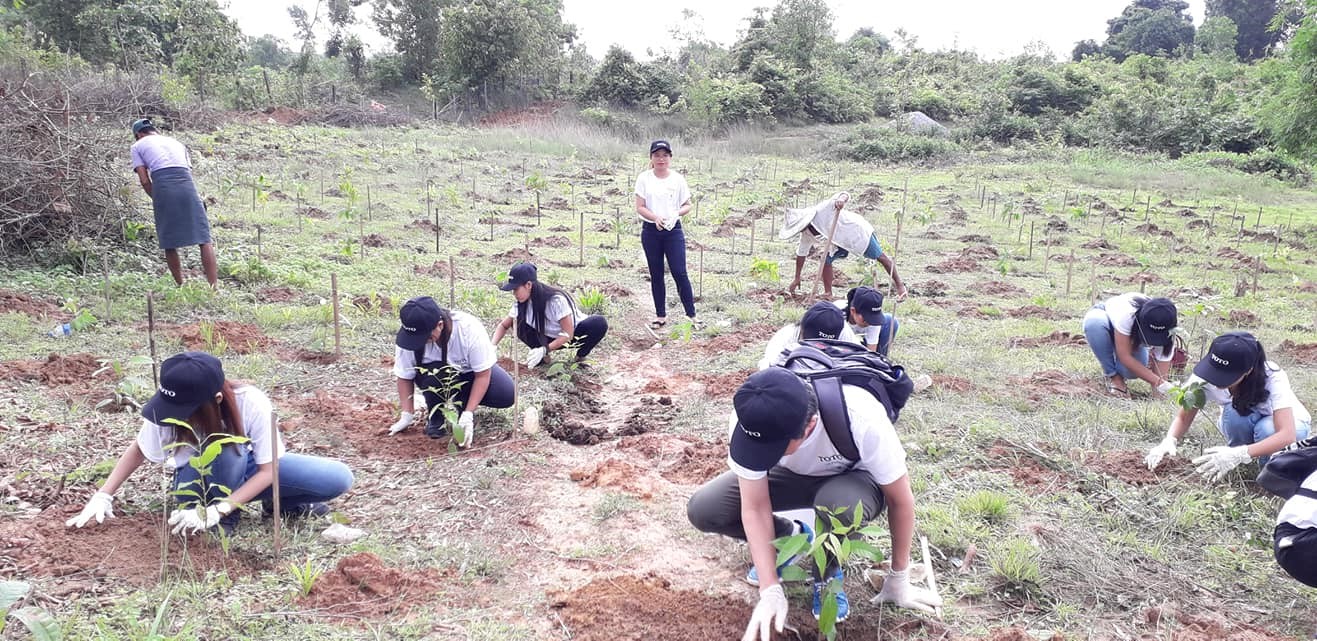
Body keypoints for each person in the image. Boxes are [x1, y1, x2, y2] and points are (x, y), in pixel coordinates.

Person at [687, 369, 941, 638]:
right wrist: (769, 588)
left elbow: (900, 500)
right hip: (792, 477)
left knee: (836, 505)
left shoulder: (861, 416)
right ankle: (790, 539)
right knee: (705, 510)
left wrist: (899, 577)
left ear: (810, 426)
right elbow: (754, 506)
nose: (762, 456)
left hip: (852, 480)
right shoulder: (751, 419)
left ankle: (827, 574)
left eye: (773, 450)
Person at [65, 352, 353, 535]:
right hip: (195, 478)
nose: (177, 417)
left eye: (187, 410)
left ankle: (264, 508)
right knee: (227, 451)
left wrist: (219, 509)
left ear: (215, 400)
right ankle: (217, 522)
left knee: (336, 477)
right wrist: (104, 494)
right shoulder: (167, 405)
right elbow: (140, 448)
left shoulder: (250, 402)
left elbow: (268, 470)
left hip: (244, 468)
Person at [1145, 332, 1311, 479]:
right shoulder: (1203, 377)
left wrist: (1240, 453)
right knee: (1233, 412)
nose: (1216, 380)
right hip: (1247, 420)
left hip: (1292, 426)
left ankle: (1271, 473)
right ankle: (1239, 464)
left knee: (1266, 429)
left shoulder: (1272, 376)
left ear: (1248, 370)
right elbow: (1183, 416)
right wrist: (1169, 440)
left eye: (1226, 375)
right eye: (1215, 371)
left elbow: (1286, 435)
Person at [389, 296, 515, 443]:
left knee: (506, 394)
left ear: (440, 325)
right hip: (436, 378)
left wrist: (468, 413)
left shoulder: (468, 330)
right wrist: (407, 414)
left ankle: (463, 402)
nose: (421, 342)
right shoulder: (410, 337)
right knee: (435, 374)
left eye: (426, 338)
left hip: (470, 374)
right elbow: (404, 376)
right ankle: (436, 417)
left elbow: (482, 375)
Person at [130, 118, 218, 288]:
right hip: (187, 185)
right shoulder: (176, 142)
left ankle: (180, 285)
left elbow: (144, 180)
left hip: (163, 186)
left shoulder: (137, 146)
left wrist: (157, 198)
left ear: (138, 134)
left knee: (168, 240)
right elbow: (187, 171)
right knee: (204, 238)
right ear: (153, 130)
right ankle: (214, 287)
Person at [781, 192, 908, 301]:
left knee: (881, 257)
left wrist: (841, 200)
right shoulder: (806, 234)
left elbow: (844, 194)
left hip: (855, 232)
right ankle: (828, 292)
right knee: (826, 259)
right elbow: (801, 254)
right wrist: (797, 277)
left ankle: (900, 286)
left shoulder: (822, 209)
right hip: (838, 242)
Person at [491, 263, 609, 368]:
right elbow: (504, 325)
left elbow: (568, 334)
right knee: (518, 323)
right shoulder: (520, 304)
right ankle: (541, 358)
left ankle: (580, 357)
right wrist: (492, 346)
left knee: (599, 323)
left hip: (572, 336)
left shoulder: (555, 300)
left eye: (516, 289)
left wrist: (544, 349)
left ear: (528, 285)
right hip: (547, 338)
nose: (514, 293)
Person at [634, 140, 696, 329]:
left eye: (665, 155)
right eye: (657, 155)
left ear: (670, 157)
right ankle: (660, 315)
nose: (661, 159)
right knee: (656, 273)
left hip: (673, 230)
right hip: (651, 231)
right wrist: (655, 218)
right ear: (651, 158)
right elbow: (640, 207)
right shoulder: (644, 178)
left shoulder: (677, 179)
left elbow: (687, 204)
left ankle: (691, 315)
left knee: (679, 271)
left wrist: (675, 214)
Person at [1081, 293, 1179, 397]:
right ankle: (1115, 378)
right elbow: (1125, 356)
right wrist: (1160, 383)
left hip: (1129, 335)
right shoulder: (1129, 315)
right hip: (1105, 318)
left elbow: (1162, 369)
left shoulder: (1169, 325)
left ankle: (1121, 366)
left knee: (1130, 371)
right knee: (1094, 324)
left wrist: (1160, 393)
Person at [758, 301, 860, 370]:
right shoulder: (785, 338)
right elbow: (768, 369)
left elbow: (859, 360)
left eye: (823, 345)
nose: (816, 348)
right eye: (811, 343)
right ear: (802, 328)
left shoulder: (845, 333)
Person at [838, 286, 899, 357]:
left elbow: (871, 352)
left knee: (890, 320)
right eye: (867, 318)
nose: (870, 322)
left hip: (861, 343)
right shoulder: (836, 315)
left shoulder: (874, 321)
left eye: (873, 318)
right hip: (838, 345)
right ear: (853, 311)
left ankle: (881, 358)